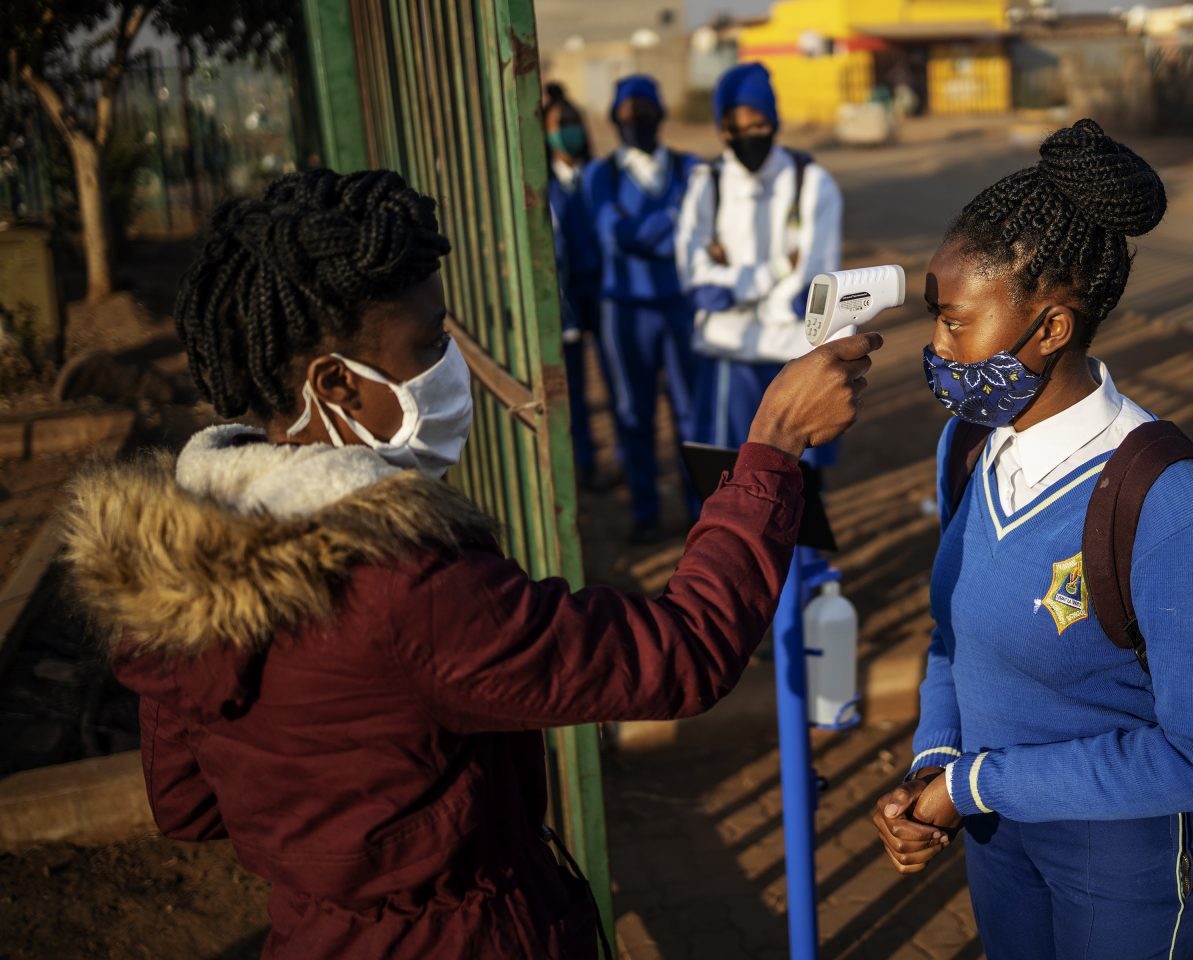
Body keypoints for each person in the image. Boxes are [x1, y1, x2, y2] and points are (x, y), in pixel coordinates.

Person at [63, 168, 882, 960]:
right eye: (427, 344)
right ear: (334, 384)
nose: (448, 363)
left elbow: (188, 805)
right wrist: (771, 444)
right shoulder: (399, 587)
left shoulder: (173, 565)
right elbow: (683, 654)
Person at [869, 120, 1193, 960]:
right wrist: (932, 765)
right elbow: (952, 637)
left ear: (1049, 329)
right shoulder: (969, 445)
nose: (935, 349)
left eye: (955, 324)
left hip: (1123, 869)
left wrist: (974, 783)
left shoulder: (1170, 503)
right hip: (998, 842)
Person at [676, 62, 843, 469]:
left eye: (758, 124)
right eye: (736, 127)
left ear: (774, 121)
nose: (748, 136)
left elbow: (810, 283)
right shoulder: (707, 184)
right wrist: (774, 270)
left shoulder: (810, 181)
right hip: (728, 355)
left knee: (795, 480)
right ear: (722, 129)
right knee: (726, 473)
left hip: (792, 353)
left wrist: (736, 287)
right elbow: (698, 282)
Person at [583, 75, 701, 543]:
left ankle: (699, 509)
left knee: (690, 414)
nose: (636, 121)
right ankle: (645, 511)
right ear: (614, 119)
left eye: (644, 111)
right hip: (625, 312)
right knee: (632, 413)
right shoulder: (601, 175)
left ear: (661, 114)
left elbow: (693, 233)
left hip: (680, 307)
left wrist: (645, 232)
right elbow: (616, 235)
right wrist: (673, 220)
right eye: (627, 114)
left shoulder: (690, 166)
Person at [543, 82, 614, 492]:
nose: (569, 131)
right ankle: (583, 467)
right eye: (559, 125)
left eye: (573, 123)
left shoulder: (598, 177)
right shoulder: (542, 188)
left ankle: (627, 461)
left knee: (619, 386)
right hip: (566, 303)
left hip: (604, 298)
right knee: (574, 394)